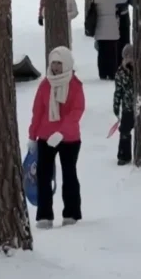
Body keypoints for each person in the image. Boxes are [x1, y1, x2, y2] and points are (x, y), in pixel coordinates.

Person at [27, 46, 85, 229]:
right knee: (43, 176)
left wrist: (62, 132)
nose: (56, 67)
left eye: (59, 63)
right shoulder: (45, 85)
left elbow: (77, 111)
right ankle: (44, 215)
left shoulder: (75, 85)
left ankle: (71, 213)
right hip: (46, 137)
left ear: (66, 63)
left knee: (69, 174)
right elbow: (38, 111)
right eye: (53, 63)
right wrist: (32, 136)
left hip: (69, 138)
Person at [92, 0, 128, 80]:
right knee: (112, 53)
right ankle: (112, 73)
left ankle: (102, 73)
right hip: (112, 31)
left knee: (102, 53)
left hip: (100, 30)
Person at [113, 44, 134, 166]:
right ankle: (124, 155)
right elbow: (118, 91)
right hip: (127, 107)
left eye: (132, 56)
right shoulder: (121, 72)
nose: (130, 59)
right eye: (127, 56)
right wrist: (116, 105)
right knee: (125, 131)